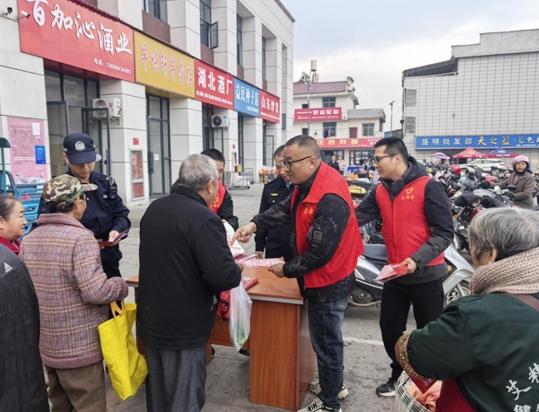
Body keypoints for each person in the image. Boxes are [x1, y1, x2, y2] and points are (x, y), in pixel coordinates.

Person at [233, 135, 363, 412]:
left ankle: (330, 404)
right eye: (283, 163)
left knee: (326, 342)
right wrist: (254, 225)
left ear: (311, 161)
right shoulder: (306, 184)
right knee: (326, 340)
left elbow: (319, 253)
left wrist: (286, 269)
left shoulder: (330, 197)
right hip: (322, 276)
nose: (285, 169)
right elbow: (284, 209)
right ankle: (334, 386)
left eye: (289, 163)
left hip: (329, 281)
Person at [396, 208, 539, 411]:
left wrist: (404, 342)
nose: (472, 252)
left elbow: (419, 356)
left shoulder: (476, 314)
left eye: (473, 245)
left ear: (491, 253)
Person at [138, 154, 242, 412]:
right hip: (184, 328)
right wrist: (236, 268)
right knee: (184, 399)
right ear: (210, 185)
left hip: (152, 320)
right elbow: (223, 276)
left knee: (159, 396)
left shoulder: (154, 209)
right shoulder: (203, 218)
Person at [20, 174, 128, 412]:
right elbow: (95, 292)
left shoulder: (29, 239)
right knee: (88, 405)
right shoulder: (80, 238)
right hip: (79, 346)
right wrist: (119, 285)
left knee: (60, 404)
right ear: (78, 203)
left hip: (48, 343)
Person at [356, 137, 454, 397]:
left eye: (378, 159)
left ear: (397, 157)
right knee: (390, 329)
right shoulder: (380, 190)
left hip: (426, 274)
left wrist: (416, 259)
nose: (375, 164)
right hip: (395, 275)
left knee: (428, 334)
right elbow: (357, 217)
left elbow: (445, 233)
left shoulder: (428, 186)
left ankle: (428, 383)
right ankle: (399, 374)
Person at [0, 200, 48, 411]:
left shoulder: (13, 251)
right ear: (1, 221)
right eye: (20, 215)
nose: (25, 220)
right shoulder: (6, 264)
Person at [62, 133, 131, 278]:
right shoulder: (58, 188)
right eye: (79, 163)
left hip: (108, 255)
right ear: (66, 158)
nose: (85, 167)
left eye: (89, 162)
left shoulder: (106, 182)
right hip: (76, 258)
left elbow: (121, 214)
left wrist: (117, 229)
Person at [255, 145, 293, 260]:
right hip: (274, 247)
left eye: (285, 165)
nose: (282, 171)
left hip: (294, 249)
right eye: (278, 167)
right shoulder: (270, 187)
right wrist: (259, 246)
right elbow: (263, 215)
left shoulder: (301, 187)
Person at [201, 148, 239, 229]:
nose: (217, 175)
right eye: (214, 170)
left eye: (220, 171)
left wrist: (227, 224)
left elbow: (230, 218)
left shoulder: (222, 191)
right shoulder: (191, 190)